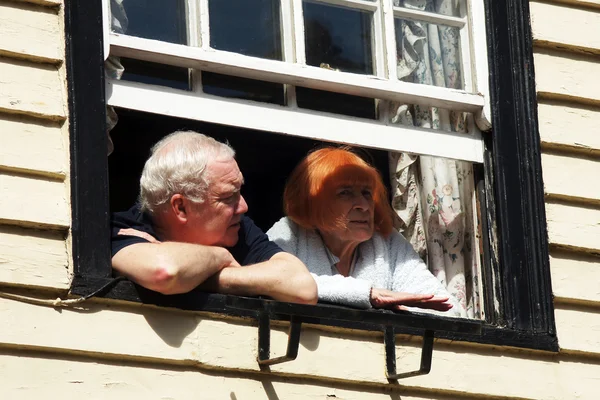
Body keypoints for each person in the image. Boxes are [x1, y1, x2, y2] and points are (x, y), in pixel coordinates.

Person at [111, 130, 317, 305]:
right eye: (228, 197)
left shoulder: (238, 228)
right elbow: (166, 273)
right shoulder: (121, 230)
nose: (243, 207)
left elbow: (303, 287)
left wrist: (201, 276)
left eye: (240, 192)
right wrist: (221, 256)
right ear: (180, 207)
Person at [267, 147, 465, 316]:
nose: (364, 205)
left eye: (366, 193)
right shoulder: (289, 233)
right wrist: (366, 294)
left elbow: (447, 309)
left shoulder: (387, 242)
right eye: (345, 192)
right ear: (313, 201)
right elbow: (269, 279)